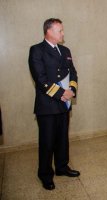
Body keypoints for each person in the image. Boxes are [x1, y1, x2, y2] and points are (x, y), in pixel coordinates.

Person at [28, 18, 80, 190]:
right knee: (47, 141)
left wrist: (71, 90)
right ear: (49, 31)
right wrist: (61, 93)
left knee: (62, 139)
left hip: (64, 104)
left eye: (62, 30)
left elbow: (73, 73)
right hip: (47, 105)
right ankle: (45, 174)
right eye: (60, 30)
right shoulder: (37, 50)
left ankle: (62, 167)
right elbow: (40, 79)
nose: (63, 33)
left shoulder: (65, 50)